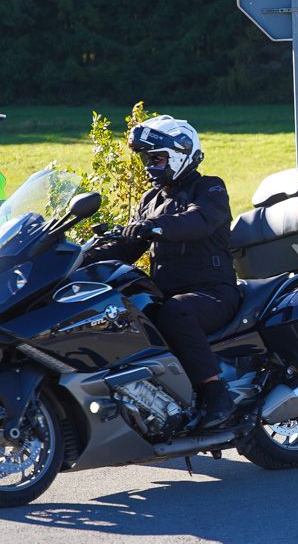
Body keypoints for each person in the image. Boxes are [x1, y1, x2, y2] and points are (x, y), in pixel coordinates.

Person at [84, 115, 240, 428]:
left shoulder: (210, 188)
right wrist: (77, 258)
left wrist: (153, 227)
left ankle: (216, 394)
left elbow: (199, 222)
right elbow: (125, 251)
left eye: (157, 158)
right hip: (168, 293)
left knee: (176, 312)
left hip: (213, 294)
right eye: (146, 159)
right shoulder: (150, 200)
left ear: (181, 154)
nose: (149, 166)